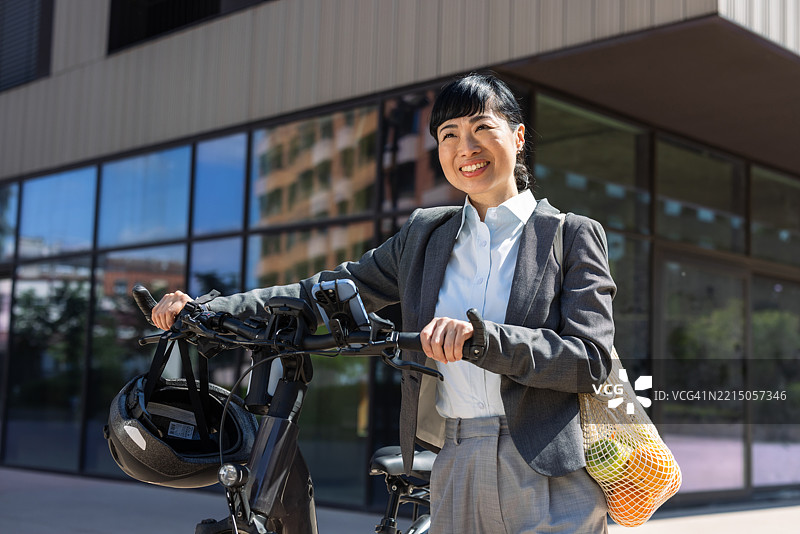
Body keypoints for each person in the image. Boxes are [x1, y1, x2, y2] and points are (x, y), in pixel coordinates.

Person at [152, 73, 616, 533]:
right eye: (448, 135)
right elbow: (326, 291)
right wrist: (211, 309)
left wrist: (485, 341)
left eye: (481, 128)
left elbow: (590, 360)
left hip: (545, 466)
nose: (465, 147)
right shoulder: (425, 236)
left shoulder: (568, 234)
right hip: (455, 459)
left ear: (516, 137)